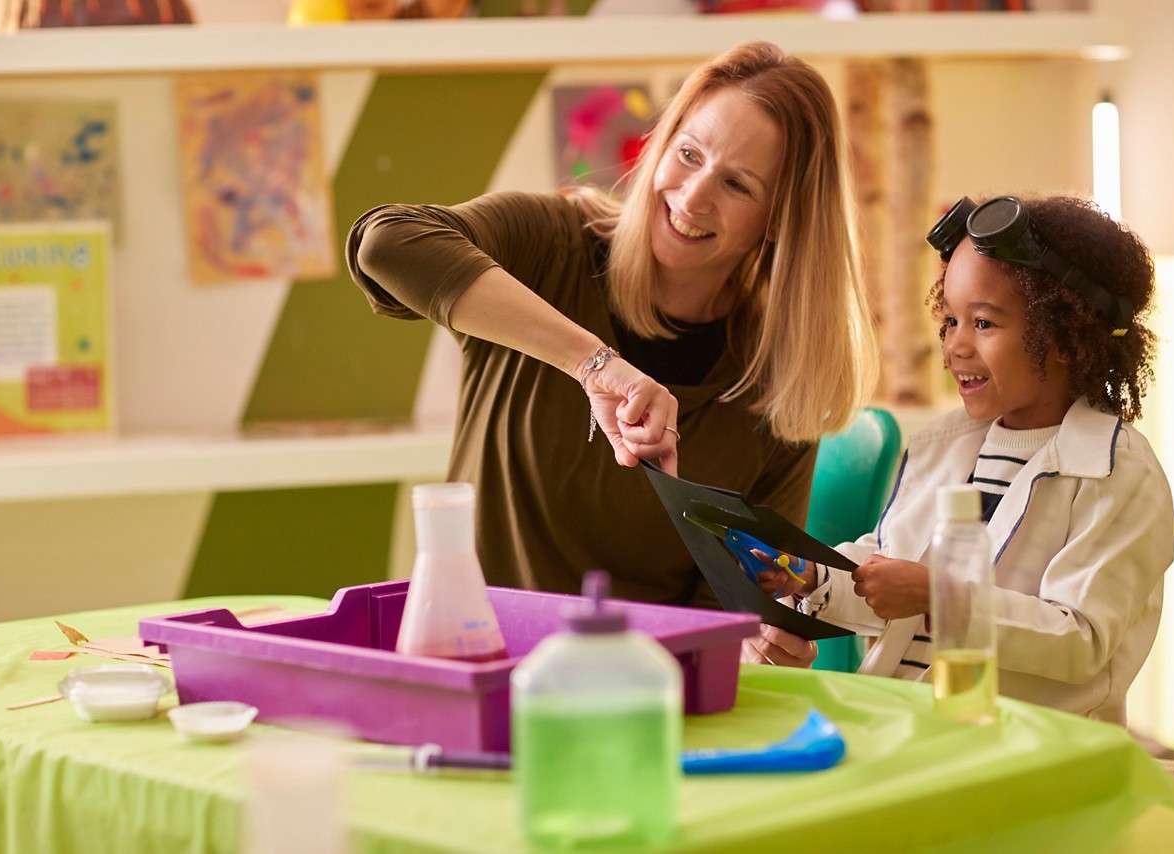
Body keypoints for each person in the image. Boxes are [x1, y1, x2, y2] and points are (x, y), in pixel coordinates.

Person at [345, 41, 877, 667]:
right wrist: (594, 363)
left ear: (778, 220)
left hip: (636, 701)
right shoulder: (547, 249)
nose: (693, 195)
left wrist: (758, 646)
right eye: (688, 154)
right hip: (475, 670)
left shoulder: (776, 383)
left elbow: (729, 612)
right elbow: (387, 242)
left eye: (736, 184)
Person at [759, 195, 1174, 723]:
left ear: (1067, 338)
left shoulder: (1118, 473)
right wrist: (809, 580)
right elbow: (887, 571)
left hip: (1027, 746)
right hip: (901, 720)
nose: (955, 346)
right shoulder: (943, 446)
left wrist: (938, 596)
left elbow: (1081, 640)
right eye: (950, 320)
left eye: (983, 324)